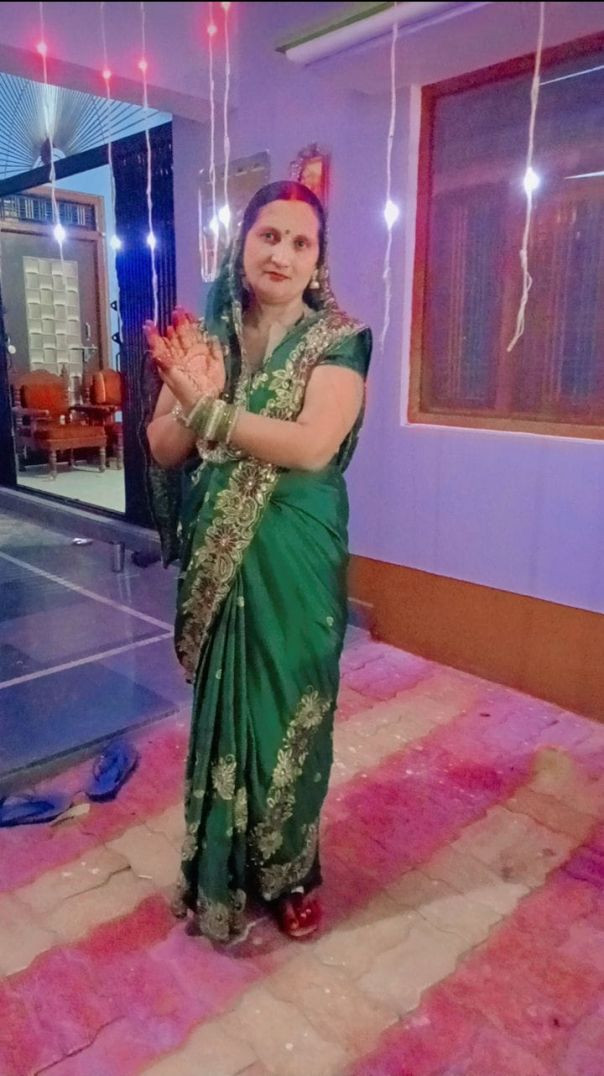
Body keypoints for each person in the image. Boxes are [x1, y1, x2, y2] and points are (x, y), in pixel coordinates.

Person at [145, 180, 372, 943]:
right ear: (242, 243)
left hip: (296, 553)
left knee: (291, 714)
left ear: (318, 260)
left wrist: (210, 409)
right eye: (269, 235)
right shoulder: (206, 334)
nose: (282, 254)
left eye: (300, 242)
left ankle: (291, 873)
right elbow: (163, 446)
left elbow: (312, 445)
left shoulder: (338, 339)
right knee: (226, 717)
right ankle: (223, 870)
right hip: (222, 549)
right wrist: (189, 395)